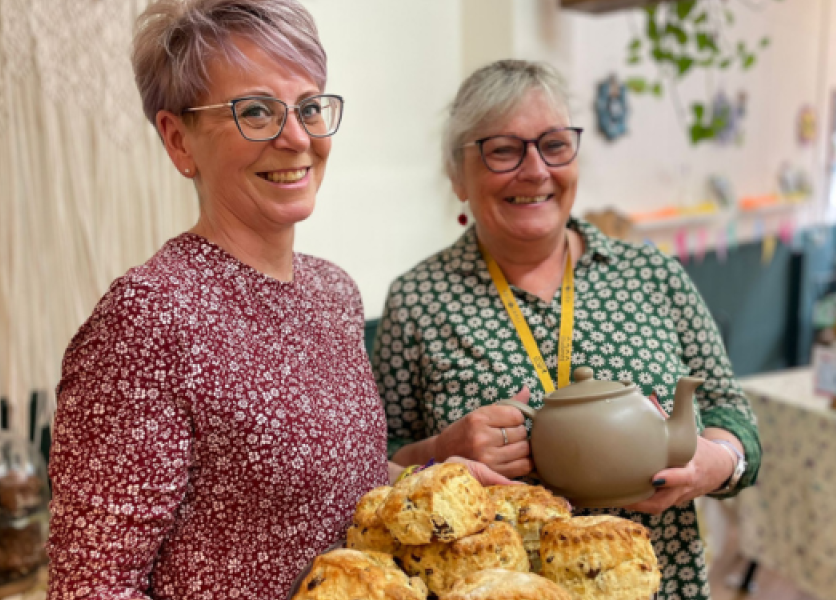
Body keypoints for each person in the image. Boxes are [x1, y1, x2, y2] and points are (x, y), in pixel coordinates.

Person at [45, 2, 507, 599]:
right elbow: (92, 587)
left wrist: (423, 479)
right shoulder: (148, 317)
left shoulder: (331, 291)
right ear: (177, 138)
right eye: (256, 111)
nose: (297, 137)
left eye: (309, 107)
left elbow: (330, 493)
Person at [373, 59, 761, 600]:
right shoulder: (418, 300)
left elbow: (731, 415)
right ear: (457, 175)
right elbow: (377, 461)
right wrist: (441, 450)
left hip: (655, 583)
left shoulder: (651, 275)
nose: (535, 171)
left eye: (554, 145)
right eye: (503, 149)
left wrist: (713, 463)